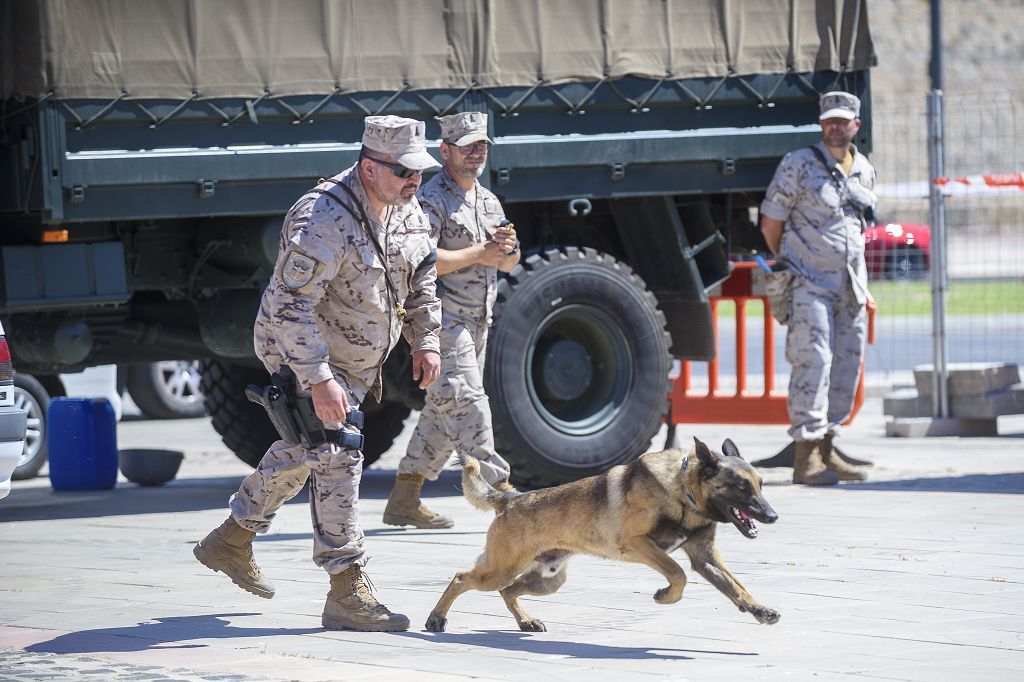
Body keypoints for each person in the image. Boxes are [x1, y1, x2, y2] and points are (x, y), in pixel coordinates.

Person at [193, 115, 443, 632]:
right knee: (338, 448)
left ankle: (231, 539)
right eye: (403, 172)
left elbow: (421, 279)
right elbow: (289, 308)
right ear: (370, 167)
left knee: (310, 449)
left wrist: (427, 341)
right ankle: (346, 587)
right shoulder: (322, 217)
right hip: (300, 348)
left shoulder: (407, 208)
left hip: (356, 356)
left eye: (419, 171)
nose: (414, 181)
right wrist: (317, 379)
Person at [383, 111, 521, 529]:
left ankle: (404, 497)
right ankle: (505, 496)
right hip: (442, 321)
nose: (477, 153)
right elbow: (422, 261)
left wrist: (507, 249)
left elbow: (509, 263)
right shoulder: (431, 199)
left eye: (482, 145)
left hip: (478, 322)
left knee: (443, 409)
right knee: (466, 403)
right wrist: (480, 253)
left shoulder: (488, 200)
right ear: (445, 151)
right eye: (468, 146)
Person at [759, 91, 876, 486]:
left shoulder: (863, 168)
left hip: (850, 288)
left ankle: (828, 447)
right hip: (809, 283)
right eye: (829, 121)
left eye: (843, 121)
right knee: (813, 362)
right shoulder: (799, 164)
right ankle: (804, 457)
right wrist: (795, 262)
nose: (835, 127)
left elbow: (859, 228)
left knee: (845, 365)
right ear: (821, 124)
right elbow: (770, 223)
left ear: (855, 125)